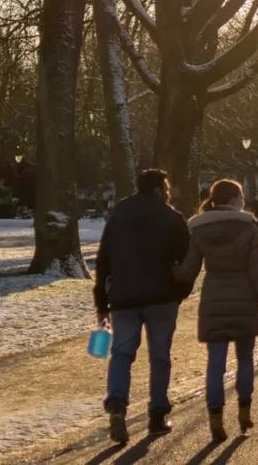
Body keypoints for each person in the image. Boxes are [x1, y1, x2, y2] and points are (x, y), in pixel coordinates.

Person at [174, 179, 258, 442]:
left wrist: (164, 270)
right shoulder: (248, 228)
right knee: (245, 360)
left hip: (213, 300)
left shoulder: (200, 229)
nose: (244, 200)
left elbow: (188, 270)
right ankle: (244, 413)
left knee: (215, 363)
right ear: (234, 199)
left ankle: (215, 419)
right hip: (244, 302)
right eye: (241, 196)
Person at [93, 169, 191, 444]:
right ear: (160, 188)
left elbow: (103, 259)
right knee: (159, 357)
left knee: (122, 353)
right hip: (161, 297)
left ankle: (117, 404)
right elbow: (188, 260)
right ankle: (157, 415)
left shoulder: (119, 214)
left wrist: (101, 301)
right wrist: (180, 292)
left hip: (123, 297)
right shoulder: (171, 216)